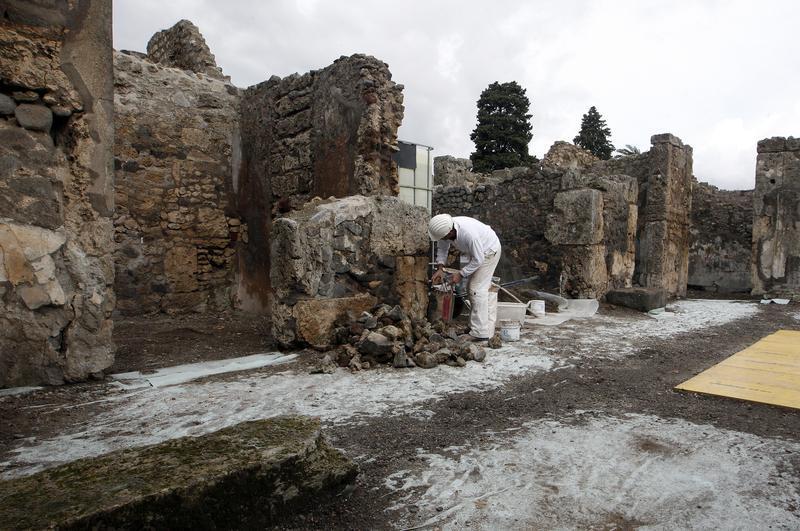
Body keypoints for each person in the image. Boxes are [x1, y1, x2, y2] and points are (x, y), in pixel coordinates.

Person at [428, 213, 501, 341]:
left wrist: (461, 274)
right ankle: (483, 327)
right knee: (478, 289)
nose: (443, 239)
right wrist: (440, 269)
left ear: (450, 231)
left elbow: (479, 259)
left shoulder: (468, 234)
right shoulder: (445, 230)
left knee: (476, 289)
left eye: (444, 237)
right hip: (478, 253)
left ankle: (480, 333)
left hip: (489, 251)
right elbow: (443, 248)